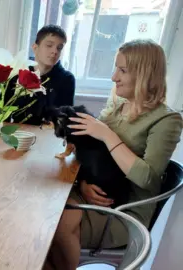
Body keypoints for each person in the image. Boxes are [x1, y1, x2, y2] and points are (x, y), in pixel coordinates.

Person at [44, 39, 183, 270]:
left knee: (54, 226)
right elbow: (96, 156)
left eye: (123, 70)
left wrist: (107, 135)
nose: (113, 77)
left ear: (145, 74)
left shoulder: (167, 120)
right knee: (41, 215)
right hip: (95, 192)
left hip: (124, 209)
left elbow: (147, 178)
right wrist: (84, 182)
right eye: (115, 68)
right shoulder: (118, 105)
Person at [6, 24, 75, 125]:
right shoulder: (17, 74)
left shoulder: (66, 79)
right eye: (49, 45)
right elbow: (2, 116)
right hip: (18, 135)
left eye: (59, 48)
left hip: (50, 137)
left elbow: (65, 119)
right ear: (35, 48)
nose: (54, 51)